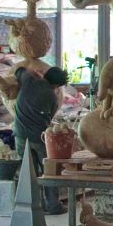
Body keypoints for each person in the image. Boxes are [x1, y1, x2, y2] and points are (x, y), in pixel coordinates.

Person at [12, 65, 68, 214]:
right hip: (39, 137)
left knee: (26, 171)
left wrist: (31, 71)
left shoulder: (29, 81)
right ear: (56, 85)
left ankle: (28, 205)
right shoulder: (52, 97)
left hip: (20, 135)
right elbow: (49, 119)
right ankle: (53, 205)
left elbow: (19, 71)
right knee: (48, 171)